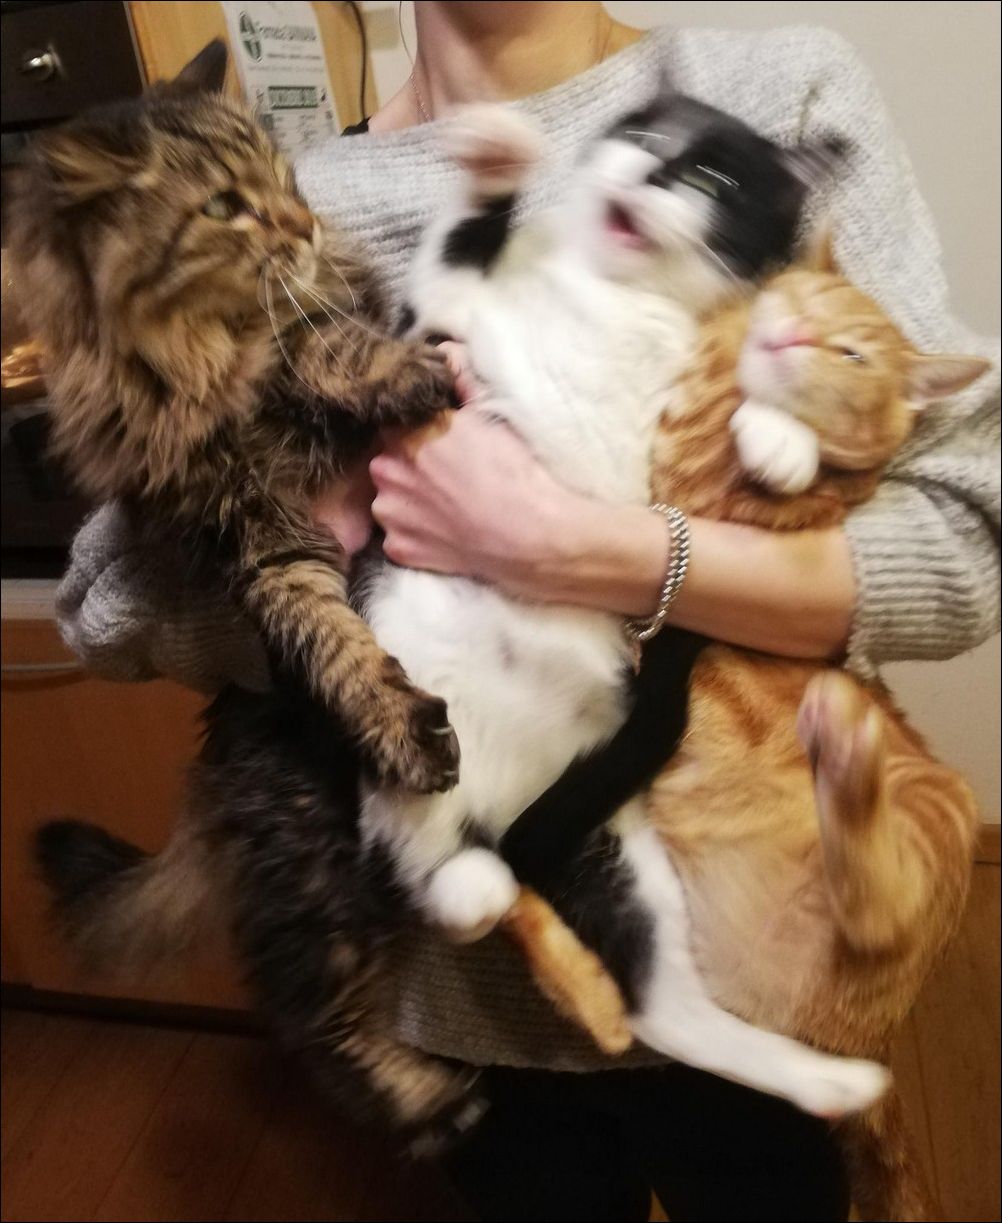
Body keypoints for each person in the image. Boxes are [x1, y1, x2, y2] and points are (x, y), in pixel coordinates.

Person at [58, 4, 1000, 1220]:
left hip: (757, 946)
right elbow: (105, 603)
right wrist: (332, 548)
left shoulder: (770, 89)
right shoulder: (290, 196)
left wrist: (569, 548)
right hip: (458, 983)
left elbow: (966, 538)